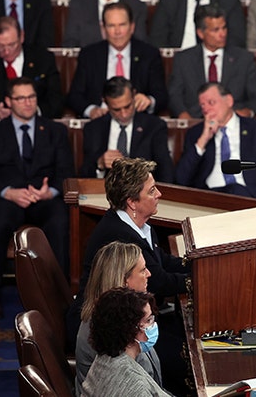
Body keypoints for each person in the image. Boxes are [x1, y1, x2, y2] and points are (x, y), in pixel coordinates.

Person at [77, 158, 192, 387]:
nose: (159, 194)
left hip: (133, 318)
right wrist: (200, 281)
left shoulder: (140, 226)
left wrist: (199, 265)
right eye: (151, 191)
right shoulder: (120, 235)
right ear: (132, 202)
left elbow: (162, 262)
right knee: (184, 358)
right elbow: (159, 280)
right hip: (108, 329)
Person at [0, 76, 72, 319]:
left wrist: (49, 192)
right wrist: (9, 192)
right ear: (8, 101)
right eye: (21, 98)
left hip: (43, 198)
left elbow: (67, 172)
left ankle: (58, 293)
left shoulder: (55, 131)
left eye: (31, 97)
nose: (28, 103)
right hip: (8, 199)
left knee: (60, 219)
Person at [175, 83, 256, 201]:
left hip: (250, 198)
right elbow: (181, 180)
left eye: (211, 103)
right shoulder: (196, 134)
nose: (206, 109)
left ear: (229, 101)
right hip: (211, 199)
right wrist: (203, 140)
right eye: (202, 106)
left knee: (236, 189)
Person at [75, 242, 163, 394]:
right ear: (124, 280)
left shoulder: (130, 315)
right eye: (142, 270)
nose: (149, 274)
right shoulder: (108, 327)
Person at [67, 2, 166, 118]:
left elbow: (161, 95)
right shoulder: (89, 55)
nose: (117, 32)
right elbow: (74, 96)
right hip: (101, 121)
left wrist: (149, 100)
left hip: (137, 120)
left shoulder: (149, 54)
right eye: (111, 26)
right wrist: (91, 110)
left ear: (132, 27)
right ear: (103, 29)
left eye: (122, 25)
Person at [168, 4, 256, 118]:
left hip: (232, 120)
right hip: (196, 121)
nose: (222, 34)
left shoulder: (243, 58)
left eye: (224, 28)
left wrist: (248, 111)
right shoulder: (184, 60)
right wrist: (183, 115)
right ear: (201, 33)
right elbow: (174, 96)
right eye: (216, 30)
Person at [0, 14, 62, 119]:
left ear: (21, 37)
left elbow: (55, 98)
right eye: (0, 46)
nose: (6, 51)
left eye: (11, 45)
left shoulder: (43, 58)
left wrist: (33, 111)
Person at [79, 77, 174, 181]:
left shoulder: (154, 127)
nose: (124, 114)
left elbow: (166, 172)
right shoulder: (93, 129)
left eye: (127, 106)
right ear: (105, 102)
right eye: (116, 109)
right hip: (104, 192)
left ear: (134, 95)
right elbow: (83, 176)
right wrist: (100, 164)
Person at [82, 287, 171, 397]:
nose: (153, 324)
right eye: (148, 320)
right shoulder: (136, 388)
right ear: (130, 329)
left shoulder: (104, 358)